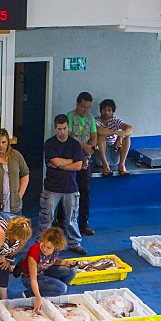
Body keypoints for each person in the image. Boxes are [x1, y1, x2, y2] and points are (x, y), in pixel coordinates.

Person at [38, 115, 86, 254]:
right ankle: (42, 244)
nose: (63, 132)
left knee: (72, 219)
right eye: (59, 129)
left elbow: (78, 166)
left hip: (71, 187)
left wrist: (61, 164)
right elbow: (60, 162)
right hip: (52, 187)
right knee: (47, 218)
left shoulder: (75, 144)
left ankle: (75, 243)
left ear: (68, 127)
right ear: (55, 128)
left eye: (65, 128)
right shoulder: (50, 143)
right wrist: (71, 161)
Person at [22, 226, 78, 311]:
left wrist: (65, 263)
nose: (44, 249)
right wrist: (38, 298)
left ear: (55, 247)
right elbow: (33, 279)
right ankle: (30, 293)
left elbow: (50, 261)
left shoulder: (56, 249)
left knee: (72, 271)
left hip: (44, 270)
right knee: (62, 288)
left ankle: (52, 290)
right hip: (29, 278)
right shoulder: (34, 251)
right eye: (44, 245)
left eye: (48, 248)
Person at [66, 92, 97, 236]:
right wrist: (83, 146)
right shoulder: (70, 116)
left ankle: (83, 224)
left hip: (86, 160)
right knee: (66, 190)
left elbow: (94, 137)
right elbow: (69, 137)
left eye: (88, 107)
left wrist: (89, 151)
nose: (85, 110)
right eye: (83, 106)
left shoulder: (90, 119)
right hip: (71, 160)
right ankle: (62, 220)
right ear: (77, 104)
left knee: (85, 192)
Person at [95, 99, 133, 177]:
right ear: (100, 110)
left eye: (109, 110)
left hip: (114, 154)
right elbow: (98, 130)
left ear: (113, 111)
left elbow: (130, 128)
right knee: (100, 136)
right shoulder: (96, 120)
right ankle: (106, 168)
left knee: (127, 137)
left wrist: (122, 135)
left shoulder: (115, 120)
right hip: (100, 157)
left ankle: (121, 165)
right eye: (104, 110)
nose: (106, 113)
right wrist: (116, 132)